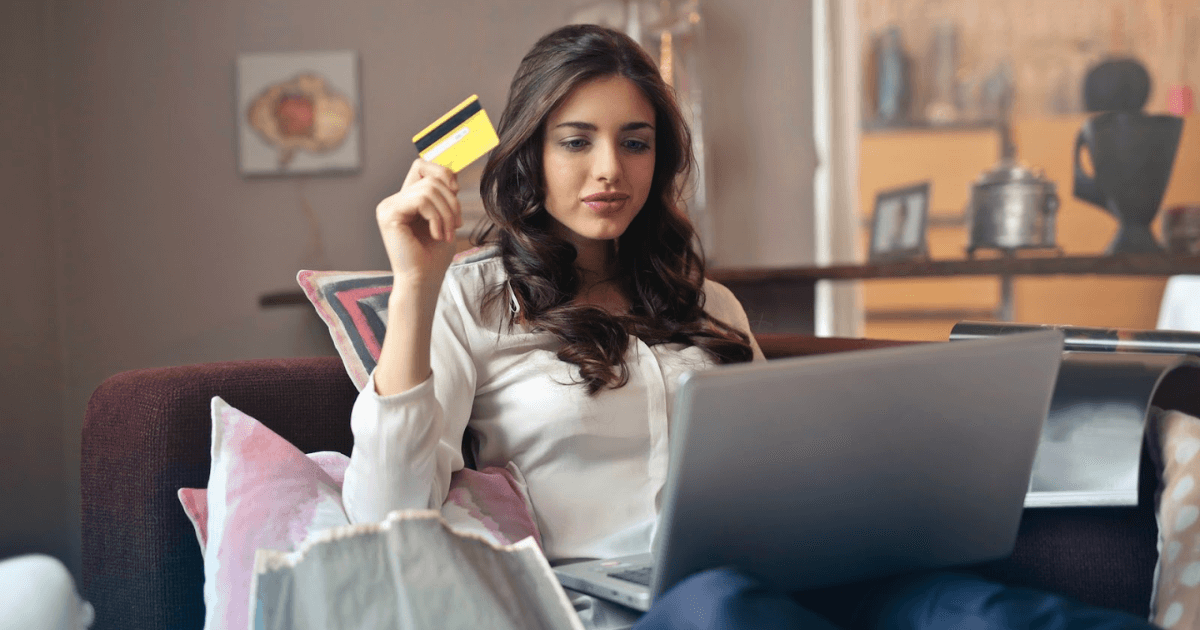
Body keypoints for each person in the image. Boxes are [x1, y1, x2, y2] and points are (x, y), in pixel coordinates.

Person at [341, 24, 1160, 630]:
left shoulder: (708, 306)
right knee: (722, 607)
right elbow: (383, 511)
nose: (609, 171)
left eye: (635, 143)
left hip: (793, 578)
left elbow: (790, 471)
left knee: (986, 612)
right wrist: (415, 285)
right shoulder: (470, 300)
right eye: (576, 141)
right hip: (629, 605)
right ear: (530, 156)